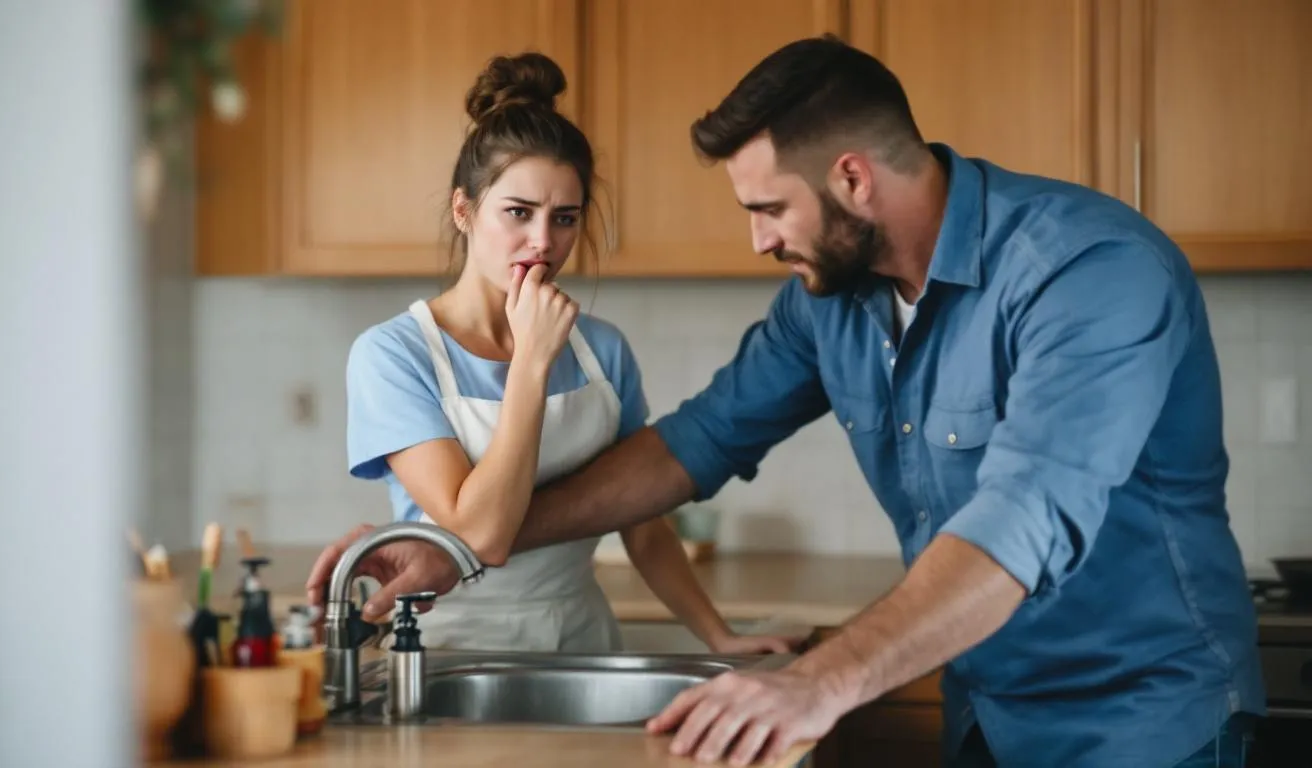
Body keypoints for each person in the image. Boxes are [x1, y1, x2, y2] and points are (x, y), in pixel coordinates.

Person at [310, 37, 1264, 766]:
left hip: (1143, 719)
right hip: (987, 710)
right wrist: (462, 546)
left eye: (768, 210)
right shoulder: (831, 302)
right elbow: (697, 442)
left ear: (851, 178)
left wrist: (821, 681)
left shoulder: (1089, 271)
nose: (759, 242)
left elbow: (1022, 519)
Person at [340, 51, 796, 657]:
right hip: (448, 650)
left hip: (581, 641)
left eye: (564, 218)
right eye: (518, 213)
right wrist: (531, 361)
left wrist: (719, 637)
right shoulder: (392, 356)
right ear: (463, 210)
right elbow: (479, 532)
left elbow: (642, 520)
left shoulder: (601, 348)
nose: (542, 242)